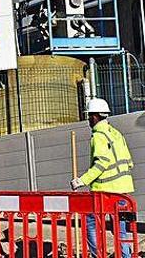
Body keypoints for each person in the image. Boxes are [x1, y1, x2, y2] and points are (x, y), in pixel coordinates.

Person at [70, 98, 134, 258]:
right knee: (121, 229)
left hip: (105, 192)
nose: (88, 120)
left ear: (94, 116)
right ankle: (125, 256)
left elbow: (101, 164)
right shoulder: (116, 134)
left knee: (90, 222)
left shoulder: (98, 136)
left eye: (89, 116)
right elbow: (129, 162)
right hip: (124, 192)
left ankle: (97, 255)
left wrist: (81, 181)